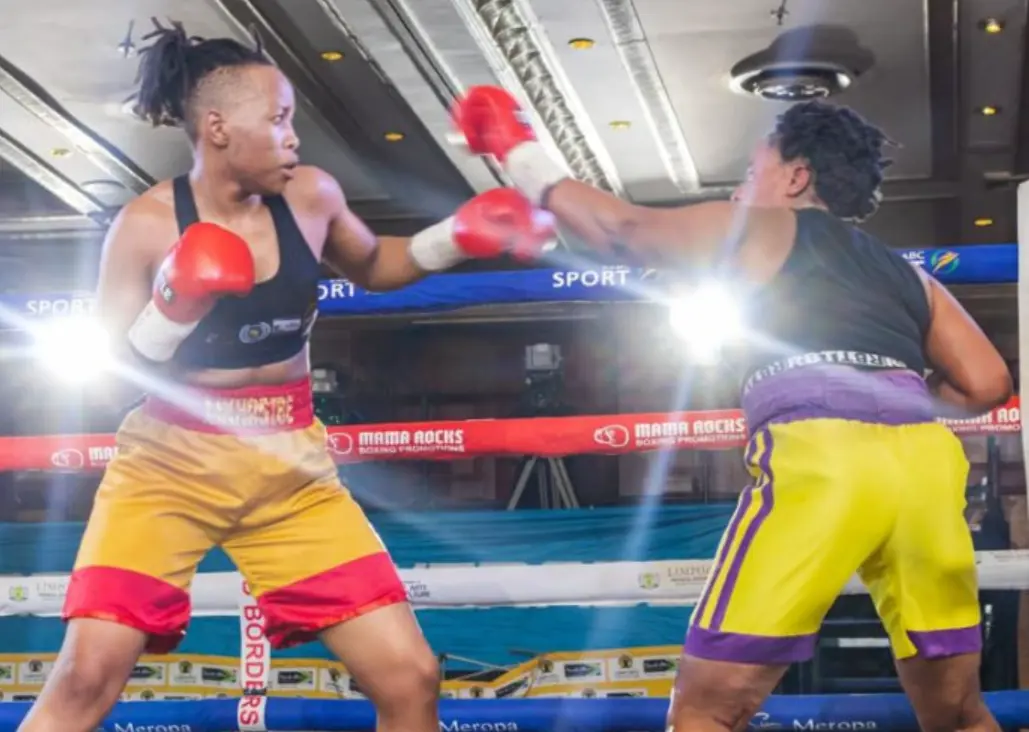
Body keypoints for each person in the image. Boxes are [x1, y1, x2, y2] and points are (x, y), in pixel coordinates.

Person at [16, 26, 555, 732]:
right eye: (277, 119)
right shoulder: (145, 225)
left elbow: (373, 264)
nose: (294, 137)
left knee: (410, 677)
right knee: (86, 677)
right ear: (218, 127)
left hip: (290, 470)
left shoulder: (311, 196)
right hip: (167, 471)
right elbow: (109, 376)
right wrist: (172, 308)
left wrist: (453, 237)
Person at [450, 88, 1013, 732]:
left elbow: (622, 231)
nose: (743, 190)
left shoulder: (768, 225)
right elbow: (987, 382)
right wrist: (893, 398)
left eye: (753, 172)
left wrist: (515, 150)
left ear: (796, 177)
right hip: (926, 472)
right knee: (958, 712)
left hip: (826, 457)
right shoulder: (912, 275)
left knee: (707, 708)